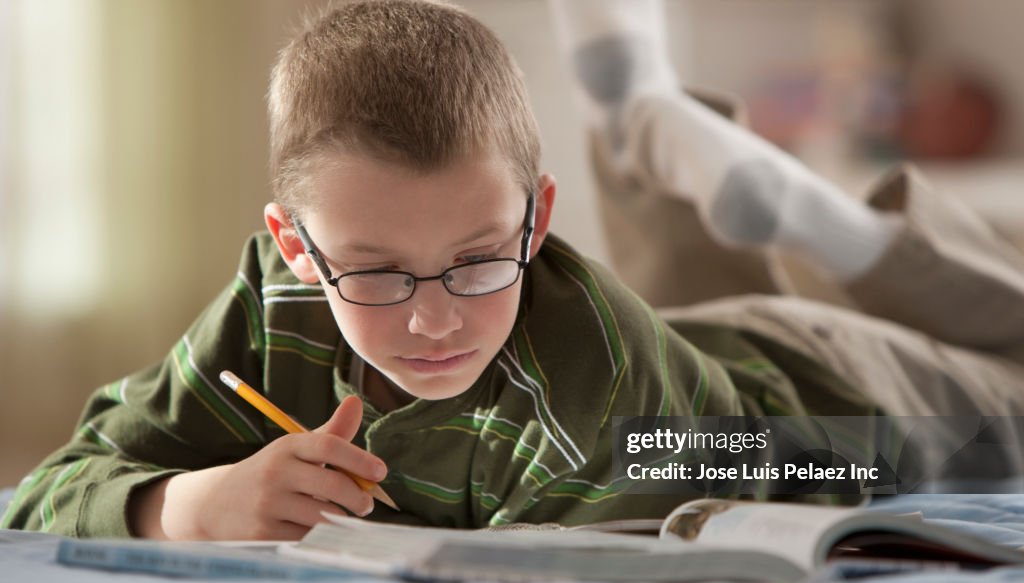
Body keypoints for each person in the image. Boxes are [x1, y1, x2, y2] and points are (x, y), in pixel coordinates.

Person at [2, 0, 1021, 540]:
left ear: (537, 217)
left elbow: (572, 555)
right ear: (292, 246)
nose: (435, 319)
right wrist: (185, 506)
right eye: (377, 272)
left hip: (820, 408)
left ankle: (844, 231)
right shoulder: (268, 314)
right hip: (678, 354)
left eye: (475, 257)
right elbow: (43, 491)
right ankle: (668, 153)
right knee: (658, 342)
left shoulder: (598, 373)